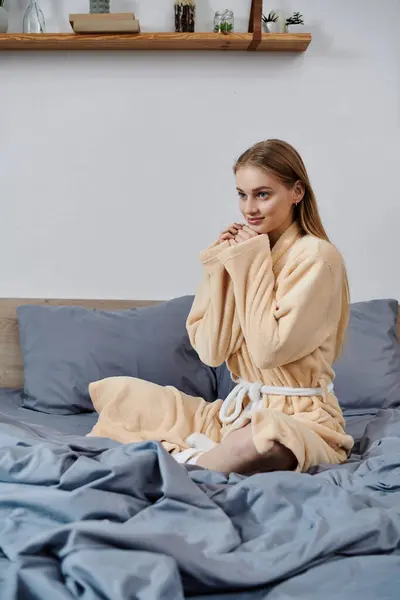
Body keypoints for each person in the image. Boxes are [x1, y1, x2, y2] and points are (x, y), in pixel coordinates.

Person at [87, 139, 354, 475]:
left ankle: (189, 465)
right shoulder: (250, 252)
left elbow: (268, 351)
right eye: (242, 194)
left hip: (303, 419)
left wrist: (250, 262)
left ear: (297, 192)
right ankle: (209, 454)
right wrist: (218, 269)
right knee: (123, 394)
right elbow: (211, 352)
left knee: (263, 438)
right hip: (239, 412)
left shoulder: (316, 257)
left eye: (262, 194)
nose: (249, 209)